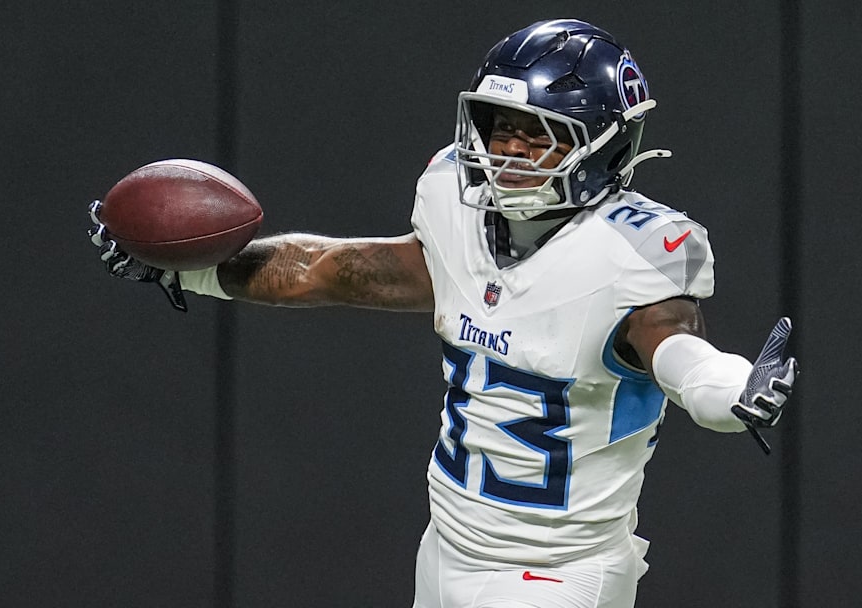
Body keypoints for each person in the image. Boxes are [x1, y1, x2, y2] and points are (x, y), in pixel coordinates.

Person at [89, 18, 798, 608]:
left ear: (604, 145)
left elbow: (674, 347)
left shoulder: (632, 256)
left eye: (538, 133)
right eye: (499, 126)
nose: (509, 151)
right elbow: (325, 269)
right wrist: (192, 266)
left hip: (554, 575)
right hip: (448, 546)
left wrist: (727, 389)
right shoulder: (454, 209)